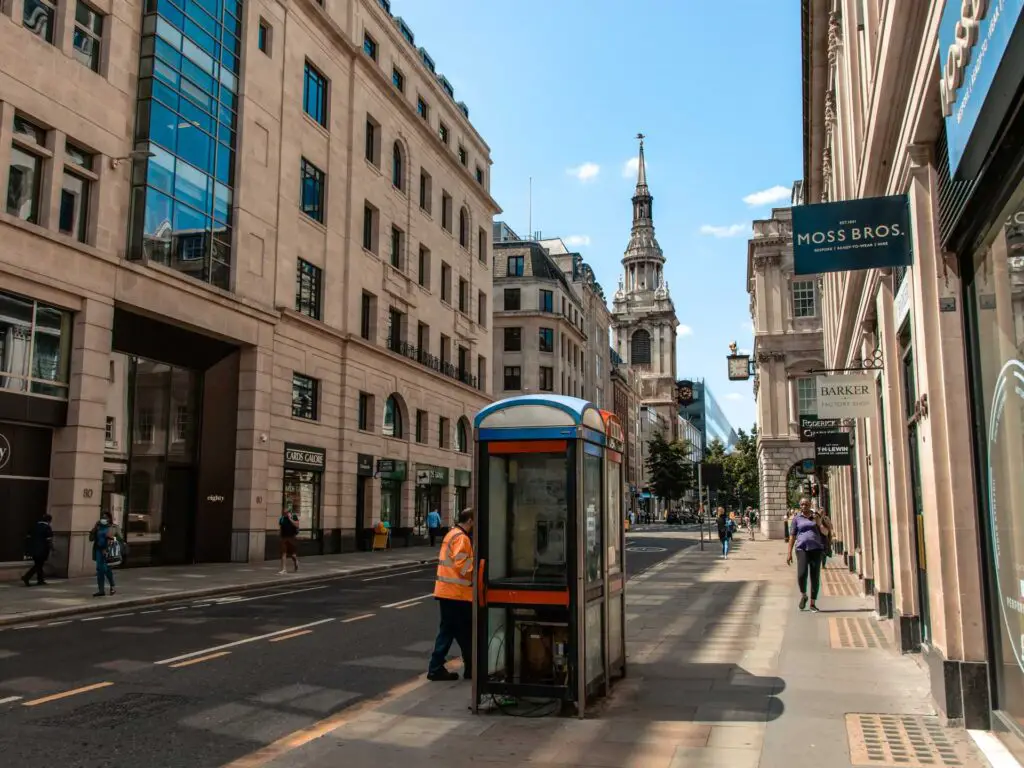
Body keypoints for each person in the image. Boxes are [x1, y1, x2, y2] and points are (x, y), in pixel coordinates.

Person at [427, 507, 474, 682]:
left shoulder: (451, 534)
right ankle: (437, 668)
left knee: (454, 631)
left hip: (448, 592)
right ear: (470, 520)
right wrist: (477, 569)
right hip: (457, 594)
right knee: (461, 632)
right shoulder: (462, 538)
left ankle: (441, 667)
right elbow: (463, 566)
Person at [786, 497, 831, 612]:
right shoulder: (796, 519)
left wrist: (819, 522)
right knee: (801, 574)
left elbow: (826, 532)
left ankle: (812, 603)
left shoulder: (817, 516)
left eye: (806, 504)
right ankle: (804, 595)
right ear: (799, 506)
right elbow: (792, 536)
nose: (804, 506)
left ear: (810, 504)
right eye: (801, 504)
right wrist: (789, 553)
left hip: (816, 549)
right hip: (801, 549)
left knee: (815, 576)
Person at [89, 513, 123, 597]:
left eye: (105, 517)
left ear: (109, 518)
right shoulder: (98, 527)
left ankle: (112, 586)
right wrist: (94, 529)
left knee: (106, 569)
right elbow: (91, 538)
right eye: (102, 517)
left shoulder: (114, 527)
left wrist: (112, 537)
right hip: (98, 550)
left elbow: (120, 539)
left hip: (108, 551)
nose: (103, 519)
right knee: (99, 570)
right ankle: (101, 590)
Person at [22, 513, 54, 586]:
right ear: (49, 521)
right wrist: (52, 548)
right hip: (42, 550)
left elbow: (28, 537)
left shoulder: (34, 526)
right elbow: (49, 540)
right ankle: (26, 577)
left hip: (33, 549)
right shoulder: (47, 527)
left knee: (38, 564)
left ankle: (40, 580)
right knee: (38, 565)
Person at [278, 508, 300, 574]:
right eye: (284, 513)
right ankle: (284, 569)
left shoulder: (294, 517)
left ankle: (296, 562)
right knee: (283, 553)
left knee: (293, 555)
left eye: (286, 513)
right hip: (284, 538)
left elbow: (297, 525)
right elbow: (280, 527)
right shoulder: (281, 519)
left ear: (289, 513)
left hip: (292, 538)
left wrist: (290, 519)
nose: (285, 514)